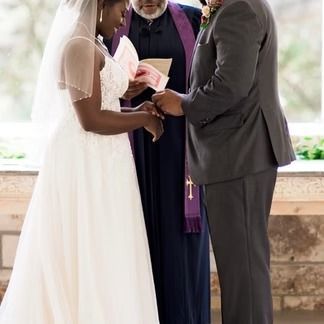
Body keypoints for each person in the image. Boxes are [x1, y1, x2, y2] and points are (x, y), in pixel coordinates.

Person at [0, 0, 163, 323]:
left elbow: (104, 106)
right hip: (86, 162)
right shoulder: (78, 45)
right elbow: (90, 119)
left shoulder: (93, 43)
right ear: (102, 5)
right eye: (121, 11)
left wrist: (137, 110)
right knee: (87, 246)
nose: (122, 21)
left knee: (105, 247)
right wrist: (142, 121)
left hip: (103, 159)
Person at [152, 0, 296, 323]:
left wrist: (184, 104)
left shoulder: (238, 10)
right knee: (243, 268)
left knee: (243, 270)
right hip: (239, 154)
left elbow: (231, 85)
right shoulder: (233, 7)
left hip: (240, 154)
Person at [106, 1, 211, 323]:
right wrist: (124, 87)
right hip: (130, 144)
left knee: (181, 249)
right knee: (134, 240)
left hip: (183, 151)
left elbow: (214, 82)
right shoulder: (111, 23)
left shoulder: (195, 21)